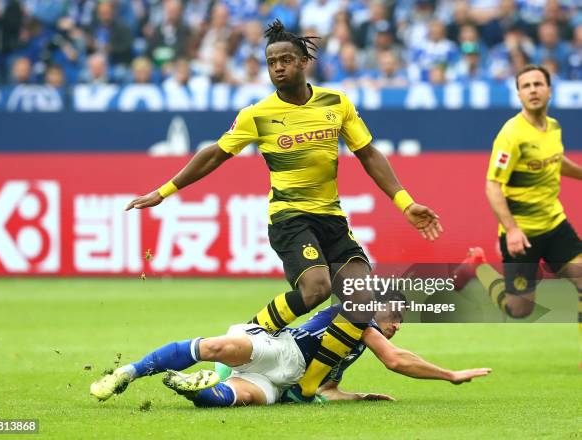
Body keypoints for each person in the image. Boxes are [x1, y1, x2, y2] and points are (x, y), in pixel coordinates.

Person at [125, 20, 443, 402]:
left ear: (304, 61)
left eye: (286, 59)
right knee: (317, 289)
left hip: (331, 218)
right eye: (271, 61)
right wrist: (164, 191)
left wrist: (405, 203)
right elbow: (214, 154)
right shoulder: (257, 115)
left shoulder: (336, 103)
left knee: (361, 299)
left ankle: (311, 386)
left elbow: (369, 154)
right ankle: (250, 331)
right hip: (289, 218)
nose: (278, 67)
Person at [90, 291, 491, 406]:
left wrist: (358, 397)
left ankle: (189, 384)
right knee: (213, 345)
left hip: (282, 384)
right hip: (277, 350)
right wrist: (450, 375)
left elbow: (326, 391)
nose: (395, 323)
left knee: (227, 399)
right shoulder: (356, 318)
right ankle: (128, 373)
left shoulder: (351, 350)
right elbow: (397, 360)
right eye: (393, 315)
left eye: (400, 320)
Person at [456, 65, 582, 364]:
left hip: (555, 224)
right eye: (526, 86)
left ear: (549, 90)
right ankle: (478, 268)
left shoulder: (552, 127)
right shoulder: (512, 134)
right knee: (519, 309)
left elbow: (554, 160)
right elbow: (492, 185)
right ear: (519, 94)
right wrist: (511, 229)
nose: (533, 90)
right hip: (522, 233)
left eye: (538, 84)